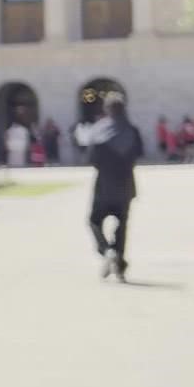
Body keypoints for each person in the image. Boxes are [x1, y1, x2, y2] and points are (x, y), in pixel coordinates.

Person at [78, 92, 145, 282]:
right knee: (122, 225)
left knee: (94, 220)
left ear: (107, 109)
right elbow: (139, 152)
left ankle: (106, 250)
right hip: (125, 184)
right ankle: (120, 264)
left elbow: (91, 158)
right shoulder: (132, 130)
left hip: (104, 184)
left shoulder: (99, 130)